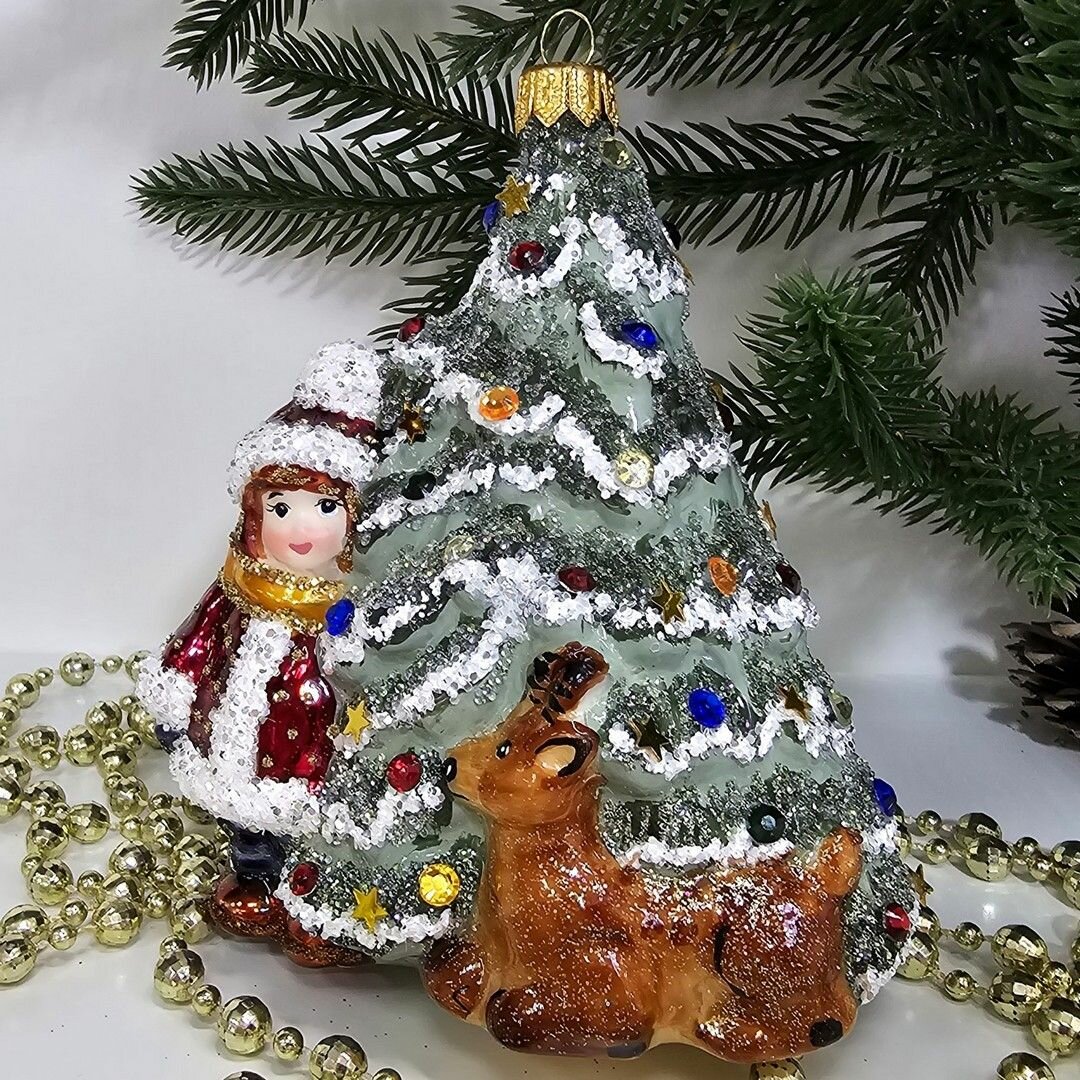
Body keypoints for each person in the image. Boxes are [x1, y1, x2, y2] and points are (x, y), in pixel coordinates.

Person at [136, 341, 385, 962]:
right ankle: (253, 869)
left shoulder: (351, 608)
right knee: (244, 818)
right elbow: (196, 641)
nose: (302, 530)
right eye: (281, 508)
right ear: (255, 513)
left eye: (325, 508)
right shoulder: (240, 587)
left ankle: (310, 883)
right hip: (231, 744)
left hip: (309, 751)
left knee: (303, 822)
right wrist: (174, 691)